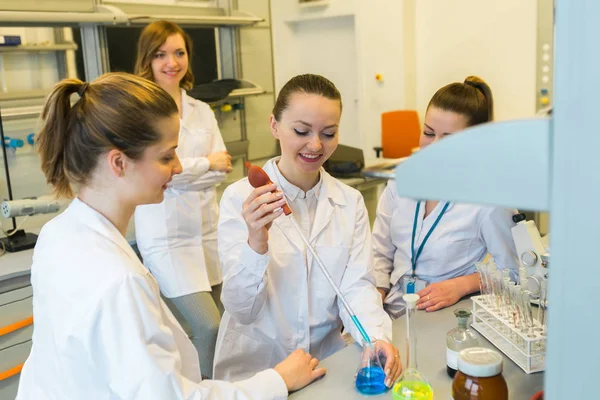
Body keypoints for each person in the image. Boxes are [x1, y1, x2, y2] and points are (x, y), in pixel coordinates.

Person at [16, 73, 325, 400]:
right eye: (166, 156)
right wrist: (277, 380)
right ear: (119, 163)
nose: (178, 167)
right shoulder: (118, 281)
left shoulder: (58, 234)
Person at [213, 74, 401, 387]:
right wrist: (256, 241)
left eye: (328, 133)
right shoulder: (239, 198)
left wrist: (375, 338)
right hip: (258, 371)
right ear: (274, 126)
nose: (315, 145)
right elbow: (241, 309)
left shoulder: (349, 202)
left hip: (324, 365)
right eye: (301, 131)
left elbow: (356, 286)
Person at [372, 76, 520, 318]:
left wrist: (463, 285)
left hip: (444, 317)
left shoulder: (489, 201)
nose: (433, 146)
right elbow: (380, 251)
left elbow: (515, 272)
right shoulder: (401, 182)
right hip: (391, 312)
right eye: (428, 133)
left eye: (448, 139)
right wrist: (375, 295)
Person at [133, 20, 230, 378]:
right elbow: (158, 171)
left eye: (179, 52)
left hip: (206, 233)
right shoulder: (140, 112)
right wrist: (203, 164)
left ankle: (210, 385)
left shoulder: (201, 111)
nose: (172, 62)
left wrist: (180, 172)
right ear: (147, 59)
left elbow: (222, 171)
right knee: (209, 327)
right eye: (161, 54)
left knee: (216, 331)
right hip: (167, 238)